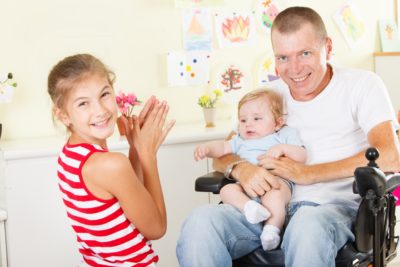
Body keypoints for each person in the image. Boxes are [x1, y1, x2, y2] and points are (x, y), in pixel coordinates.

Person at [177, 6, 400, 267]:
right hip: (263, 208)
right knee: (200, 223)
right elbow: (224, 153)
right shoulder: (269, 96)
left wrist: (306, 173)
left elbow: (390, 155)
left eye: (305, 53)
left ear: (328, 47)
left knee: (306, 226)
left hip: (331, 210)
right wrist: (241, 169)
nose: (294, 69)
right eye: (283, 57)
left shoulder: (362, 85)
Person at [48, 53, 175, 267]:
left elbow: (131, 199)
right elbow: (156, 228)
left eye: (104, 94)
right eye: (83, 104)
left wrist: (136, 148)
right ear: (63, 115)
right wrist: (148, 154)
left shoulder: (69, 155)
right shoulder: (110, 165)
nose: (100, 110)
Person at [193, 89, 306, 251]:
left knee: (274, 197)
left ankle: (271, 230)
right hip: (246, 187)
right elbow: (223, 148)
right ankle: (249, 208)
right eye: (243, 119)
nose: (248, 124)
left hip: (276, 182)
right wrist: (208, 148)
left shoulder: (284, 135)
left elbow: (302, 155)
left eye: (256, 118)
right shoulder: (240, 139)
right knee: (227, 190)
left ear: (278, 123)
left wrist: (283, 149)